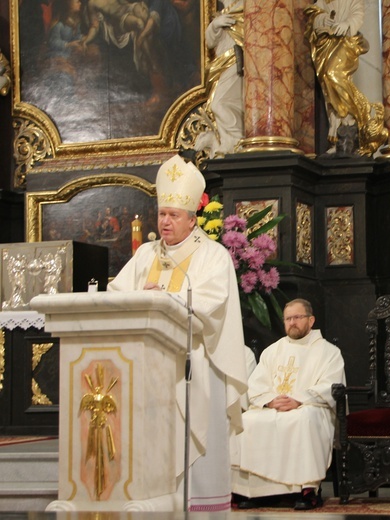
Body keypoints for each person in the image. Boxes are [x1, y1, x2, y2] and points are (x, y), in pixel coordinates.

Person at [108, 154, 248, 511]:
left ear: (191, 219)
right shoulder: (144, 256)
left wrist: (165, 299)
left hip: (196, 365)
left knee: (195, 447)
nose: (165, 222)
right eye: (161, 214)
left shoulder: (212, 255)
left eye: (173, 215)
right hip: (147, 369)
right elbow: (117, 295)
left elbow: (211, 304)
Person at [232, 299, 346, 511]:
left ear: (311, 320)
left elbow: (331, 386)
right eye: (288, 318)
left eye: (297, 317)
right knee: (248, 419)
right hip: (275, 406)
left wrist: (299, 399)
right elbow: (255, 385)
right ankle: (255, 492)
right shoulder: (272, 351)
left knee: (302, 419)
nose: (292, 322)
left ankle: (305, 490)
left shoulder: (328, 352)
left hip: (310, 406)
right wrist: (269, 400)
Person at [304, 0, 387, 156]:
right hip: (326, 44)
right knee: (329, 88)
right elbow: (314, 16)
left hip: (346, 43)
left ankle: (358, 115)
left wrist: (347, 24)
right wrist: (323, 20)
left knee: (334, 75)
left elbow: (358, 14)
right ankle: (340, 131)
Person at [194, 0, 244, 158]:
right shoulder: (224, 13)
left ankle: (236, 140)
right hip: (222, 65)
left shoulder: (246, 6)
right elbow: (210, 42)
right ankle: (228, 141)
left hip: (236, 62)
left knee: (219, 104)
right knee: (216, 104)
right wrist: (215, 25)